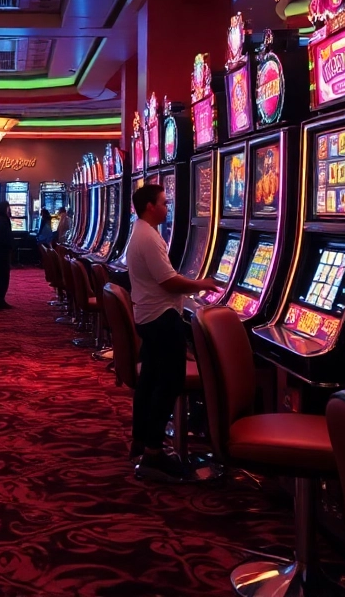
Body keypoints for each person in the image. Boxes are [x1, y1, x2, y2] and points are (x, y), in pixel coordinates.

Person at [125, 184, 218, 482]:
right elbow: (168, 282)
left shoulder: (141, 231)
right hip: (161, 318)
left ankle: (143, 442)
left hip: (150, 315)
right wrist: (203, 284)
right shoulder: (149, 237)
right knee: (167, 383)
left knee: (151, 382)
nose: (168, 208)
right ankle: (154, 453)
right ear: (150, 206)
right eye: (164, 203)